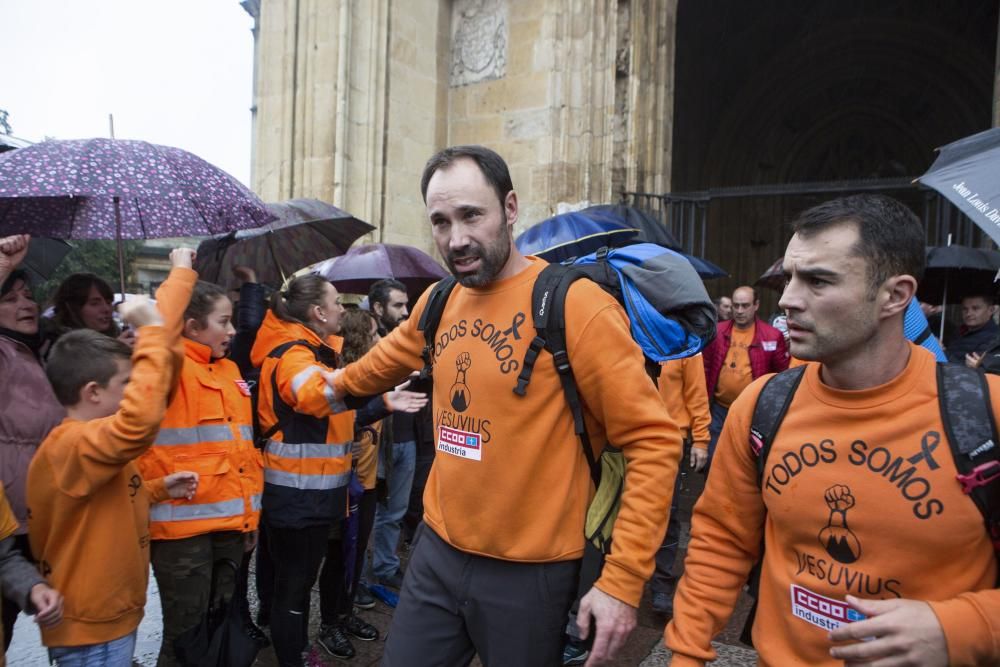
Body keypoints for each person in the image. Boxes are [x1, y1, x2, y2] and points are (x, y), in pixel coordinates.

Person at [328, 145, 681, 666]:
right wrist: (327, 385)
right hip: (437, 553)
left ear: (510, 208)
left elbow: (653, 441)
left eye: (473, 215)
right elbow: (378, 365)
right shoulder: (438, 301)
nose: (457, 239)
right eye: (441, 222)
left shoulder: (576, 305)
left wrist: (622, 582)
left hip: (534, 572)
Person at [665, 194, 1000, 666]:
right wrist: (685, 655)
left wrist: (961, 627)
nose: (786, 299)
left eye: (817, 280)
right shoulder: (763, 406)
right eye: (789, 277)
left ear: (895, 295)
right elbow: (721, 540)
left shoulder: (984, 415)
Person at [27, 251, 201, 667]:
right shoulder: (73, 443)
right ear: (92, 392)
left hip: (110, 614)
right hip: (88, 625)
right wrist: (153, 330)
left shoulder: (94, 441)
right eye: (125, 383)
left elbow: (112, 497)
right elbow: (141, 419)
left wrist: (157, 489)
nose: (133, 390)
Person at [249, 275, 426, 667]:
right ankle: (295, 659)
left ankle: (298, 653)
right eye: (336, 302)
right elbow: (319, 395)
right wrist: (365, 380)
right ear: (317, 312)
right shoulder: (295, 356)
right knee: (292, 593)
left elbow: (337, 417)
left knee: (296, 588)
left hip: (311, 497)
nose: (343, 311)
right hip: (297, 498)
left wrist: (384, 403)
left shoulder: (313, 353)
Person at [136, 280, 264, 667]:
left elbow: (240, 452)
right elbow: (158, 336)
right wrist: (179, 275)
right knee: (186, 636)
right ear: (190, 326)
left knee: (218, 625)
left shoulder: (229, 370)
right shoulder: (168, 365)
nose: (231, 331)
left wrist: (248, 521)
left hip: (229, 528)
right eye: (222, 322)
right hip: (180, 533)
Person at [0, 234, 65, 650]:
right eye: (11, 298)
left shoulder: (35, 351)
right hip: (7, 516)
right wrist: (3, 264)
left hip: (41, 516)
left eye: (29, 295)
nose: (26, 304)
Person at [365, 278, 429, 593]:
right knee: (372, 511)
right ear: (378, 308)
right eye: (398, 305)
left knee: (396, 511)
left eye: (407, 305)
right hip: (379, 440)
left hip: (408, 437)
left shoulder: (410, 339)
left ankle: (385, 567)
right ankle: (362, 579)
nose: (405, 312)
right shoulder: (367, 341)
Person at [649, 353, 711, 616]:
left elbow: (697, 393)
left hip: (670, 441)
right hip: (626, 436)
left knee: (667, 514)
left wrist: (700, 440)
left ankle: (661, 584)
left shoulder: (685, 342)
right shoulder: (630, 329)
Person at [702, 285, 789, 466]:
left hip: (753, 411)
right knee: (714, 458)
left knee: (747, 462)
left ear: (756, 305)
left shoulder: (772, 336)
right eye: (736, 305)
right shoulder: (717, 332)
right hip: (720, 409)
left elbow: (782, 376)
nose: (740, 311)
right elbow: (705, 368)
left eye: (745, 305)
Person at [48, 272, 135, 347]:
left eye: (108, 302)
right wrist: (116, 351)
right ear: (73, 308)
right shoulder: (61, 347)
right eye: (95, 304)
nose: (107, 309)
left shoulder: (117, 335)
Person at [945, 293, 999, 365]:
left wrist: (942, 352)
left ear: (991, 310)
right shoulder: (959, 331)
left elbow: (970, 368)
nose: (968, 313)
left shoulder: (994, 338)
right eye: (965, 309)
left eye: (975, 308)